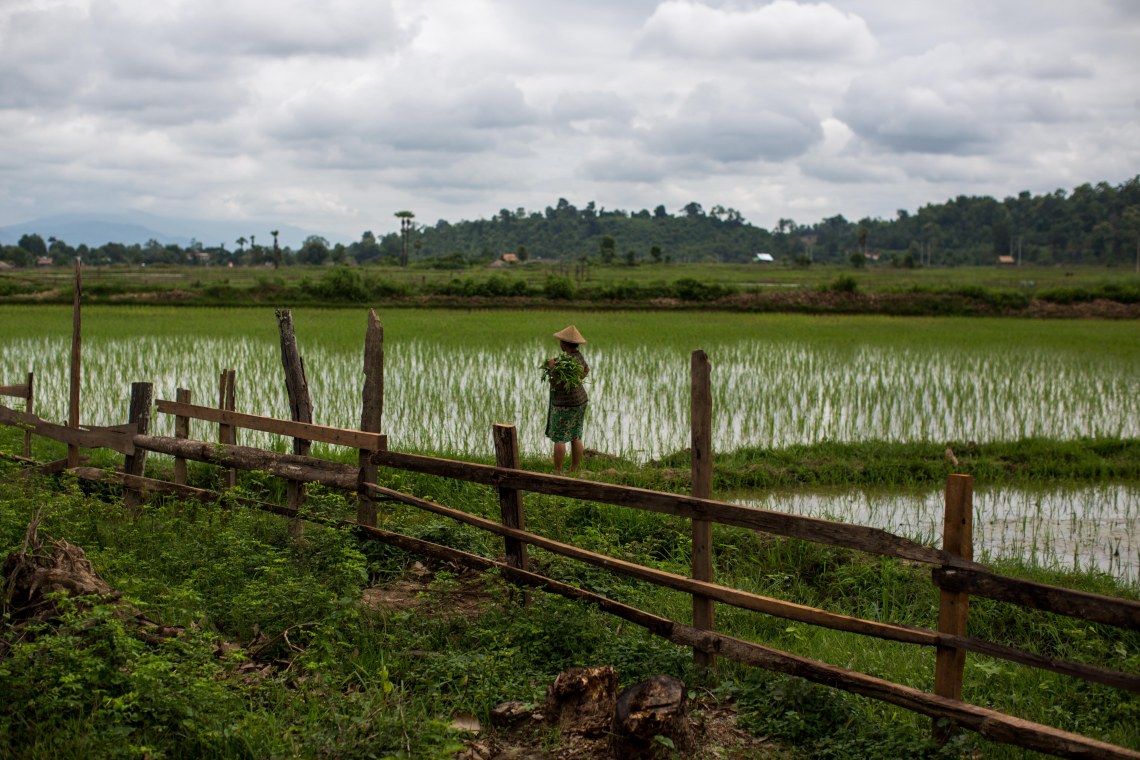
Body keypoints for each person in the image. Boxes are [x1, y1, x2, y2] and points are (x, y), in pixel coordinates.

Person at [544, 325, 589, 474]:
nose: (560, 344)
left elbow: (558, 382)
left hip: (565, 404)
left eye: (561, 341)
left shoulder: (562, 364)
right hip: (580, 400)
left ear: (564, 343)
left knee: (560, 437)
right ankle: (574, 470)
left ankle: (557, 471)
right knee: (576, 435)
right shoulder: (578, 357)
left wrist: (552, 368)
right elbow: (586, 371)